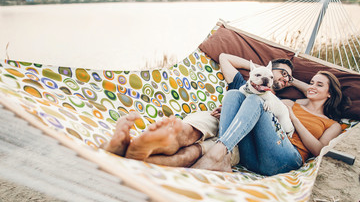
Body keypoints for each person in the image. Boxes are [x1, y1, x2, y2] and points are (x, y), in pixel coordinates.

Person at [103, 53, 306, 167]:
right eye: (282, 73)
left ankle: (133, 155)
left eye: (289, 79)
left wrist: (293, 81)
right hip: (219, 119)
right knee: (189, 129)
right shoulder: (242, 81)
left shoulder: (280, 103)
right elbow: (224, 57)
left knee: (193, 153)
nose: (285, 79)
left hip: (238, 140)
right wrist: (259, 69)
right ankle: (149, 143)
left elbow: (311, 97)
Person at [192, 71, 350, 175]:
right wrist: (229, 110)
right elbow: (255, 115)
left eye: (319, 85)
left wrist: (294, 119)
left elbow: (318, 150)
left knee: (256, 99)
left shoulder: (332, 124)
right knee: (234, 94)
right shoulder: (289, 103)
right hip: (253, 157)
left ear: (330, 93)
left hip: (285, 160)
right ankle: (224, 158)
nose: (312, 86)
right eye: (311, 82)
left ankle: (216, 154)